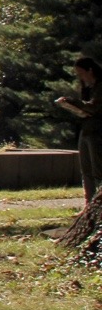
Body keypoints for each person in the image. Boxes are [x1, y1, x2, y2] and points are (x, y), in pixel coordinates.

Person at [58, 55, 102, 204]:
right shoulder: (87, 88)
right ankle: (88, 204)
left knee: (98, 170)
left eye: (81, 73)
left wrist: (74, 102)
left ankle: (98, 205)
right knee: (86, 170)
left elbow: (94, 107)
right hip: (86, 129)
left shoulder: (100, 86)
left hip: (98, 131)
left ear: (90, 70)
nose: (80, 77)